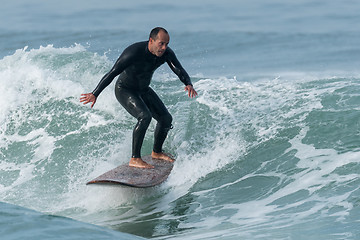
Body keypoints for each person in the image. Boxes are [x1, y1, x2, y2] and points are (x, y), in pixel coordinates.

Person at [80, 27, 197, 169]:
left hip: (143, 90)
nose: (164, 47)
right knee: (144, 116)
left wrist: (188, 83)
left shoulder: (166, 53)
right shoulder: (133, 52)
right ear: (151, 41)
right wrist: (95, 93)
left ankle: (157, 152)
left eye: (166, 44)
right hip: (125, 90)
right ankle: (135, 158)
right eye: (161, 43)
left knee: (166, 119)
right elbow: (112, 73)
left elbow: (178, 68)